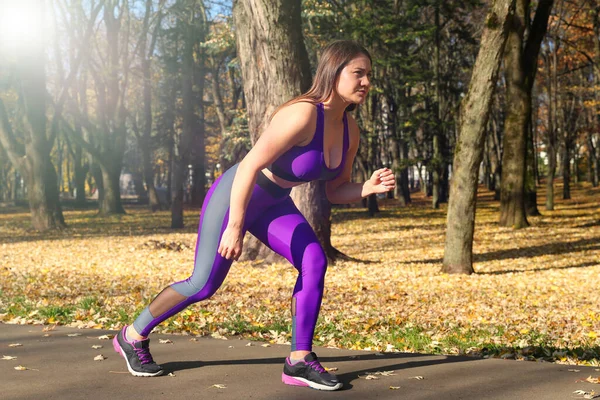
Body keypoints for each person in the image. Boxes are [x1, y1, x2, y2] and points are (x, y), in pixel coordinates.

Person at [112, 40, 395, 391]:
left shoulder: (350, 130)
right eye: (359, 73)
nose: (367, 81)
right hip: (238, 193)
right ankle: (132, 334)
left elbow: (334, 191)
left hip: (275, 201)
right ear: (334, 72)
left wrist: (365, 188)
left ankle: (299, 360)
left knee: (314, 261)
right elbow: (249, 165)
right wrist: (235, 225)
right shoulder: (303, 114)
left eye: (370, 74)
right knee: (203, 284)